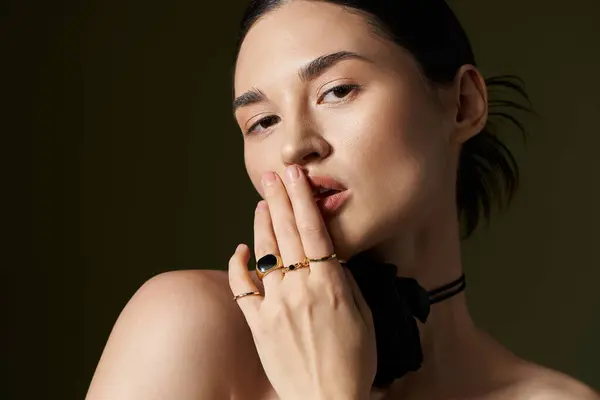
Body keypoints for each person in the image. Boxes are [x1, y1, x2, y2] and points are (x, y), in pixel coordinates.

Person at [86, 0, 600, 399]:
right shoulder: (189, 328)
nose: (294, 146)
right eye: (262, 121)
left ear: (463, 104)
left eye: (336, 91)